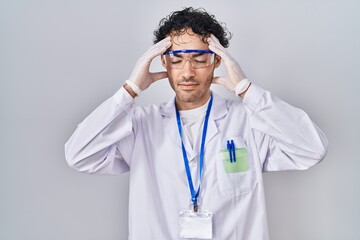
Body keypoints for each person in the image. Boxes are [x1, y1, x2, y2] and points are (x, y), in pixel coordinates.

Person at [65, 7, 328, 240]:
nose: (188, 72)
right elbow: (78, 155)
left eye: (200, 60)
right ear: (163, 63)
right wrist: (130, 89)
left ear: (217, 61)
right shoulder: (140, 125)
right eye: (176, 60)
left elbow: (312, 149)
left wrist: (247, 90)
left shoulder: (248, 121)